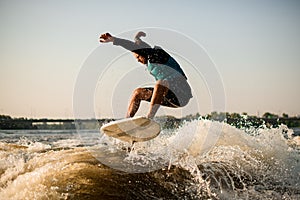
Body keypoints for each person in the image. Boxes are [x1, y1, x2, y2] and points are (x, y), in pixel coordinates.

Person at [99, 31, 192, 119]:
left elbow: (136, 47)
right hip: (169, 96)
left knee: (161, 83)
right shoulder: (149, 59)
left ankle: (149, 118)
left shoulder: (157, 55)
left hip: (182, 94)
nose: (138, 60)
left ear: (143, 52)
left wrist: (114, 40)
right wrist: (137, 39)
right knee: (137, 93)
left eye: (138, 57)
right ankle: (127, 121)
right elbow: (140, 47)